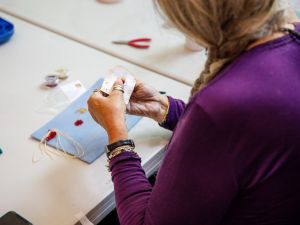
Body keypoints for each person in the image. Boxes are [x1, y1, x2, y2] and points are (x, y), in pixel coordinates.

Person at [88, 0, 300, 224]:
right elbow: (250, 132)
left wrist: (116, 136)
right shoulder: (293, 33)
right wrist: (163, 108)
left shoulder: (220, 108)